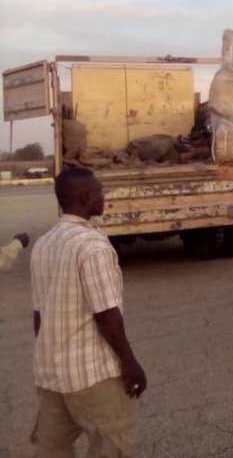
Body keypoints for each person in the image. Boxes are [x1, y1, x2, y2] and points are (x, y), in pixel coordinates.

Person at [29, 166, 147, 458]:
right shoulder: (92, 245)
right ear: (84, 198)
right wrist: (129, 362)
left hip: (51, 374)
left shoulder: (44, 244)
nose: (104, 196)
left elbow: (39, 315)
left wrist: (51, 355)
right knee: (112, 444)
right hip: (90, 376)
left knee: (51, 448)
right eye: (99, 191)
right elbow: (106, 314)